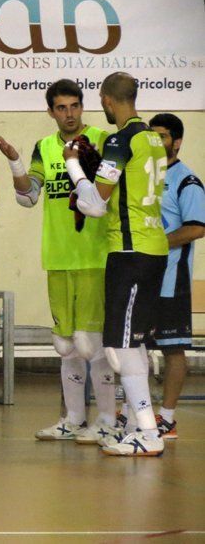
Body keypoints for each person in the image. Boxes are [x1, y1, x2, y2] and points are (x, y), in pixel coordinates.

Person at [0, 79, 118, 444]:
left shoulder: (100, 140)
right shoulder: (44, 147)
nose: (69, 114)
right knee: (65, 344)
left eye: (74, 106)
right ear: (50, 111)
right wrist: (16, 162)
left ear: (83, 106)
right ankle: (74, 419)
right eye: (61, 108)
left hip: (94, 257)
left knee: (90, 341)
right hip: (58, 256)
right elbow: (29, 196)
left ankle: (108, 419)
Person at [64, 71, 168, 456]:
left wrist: (74, 164)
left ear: (107, 100)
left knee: (120, 347)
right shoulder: (154, 138)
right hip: (153, 249)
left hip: (129, 251)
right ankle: (139, 424)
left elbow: (94, 204)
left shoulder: (121, 139)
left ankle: (147, 432)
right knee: (132, 343)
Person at [146, 113, 205, 439]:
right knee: (133, 348)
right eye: (151, 136)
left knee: (172, 348)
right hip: (141, 278)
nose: (156, 142)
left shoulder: (187, 181)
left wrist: (155, 243)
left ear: (177, 142)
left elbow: (196, 227)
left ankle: (166, 418)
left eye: (163, 137)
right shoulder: (143, 174)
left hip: (171, 279)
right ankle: (136, 412)